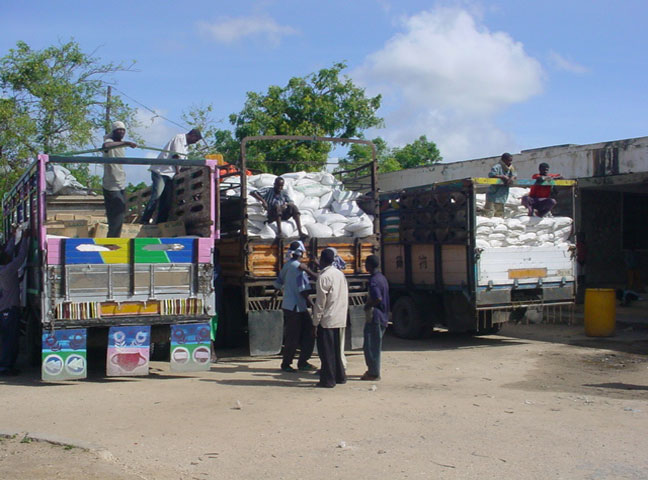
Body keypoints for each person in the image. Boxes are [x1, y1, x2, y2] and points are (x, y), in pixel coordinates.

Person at [140, 128, 202, 225]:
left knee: (167, 200)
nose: (195, 142)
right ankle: (145, 219)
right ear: (192, 135)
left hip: (170, 174)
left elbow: (182, 164)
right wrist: (178, 172)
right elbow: (176, 156)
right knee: (157, 195)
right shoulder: (179, 138)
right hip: (161, 172)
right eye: (196, 140)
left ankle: (161, 223)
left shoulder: (186, 147)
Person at [274, 241, 316, 373]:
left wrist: (274, 294)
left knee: (293, 335)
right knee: (303, 334)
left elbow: (279, 281)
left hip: (289, 305)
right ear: (301, 253)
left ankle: (295, 362)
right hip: (296, 307)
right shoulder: (299, 268)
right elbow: (303, 290)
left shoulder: (287, 265)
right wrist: (313, 305)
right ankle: (292, 363)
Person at [312, 248, 348, 388]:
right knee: (336, 350)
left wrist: (315, 322)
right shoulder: (339, 274)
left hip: (327, 319)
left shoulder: (323, 277)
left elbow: (320, 303)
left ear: (321, 260)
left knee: (326, 352)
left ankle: (328, 380)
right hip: (339, 317)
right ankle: (340, 376)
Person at [102, 121, 137, 237]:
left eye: (123, 130)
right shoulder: (109, 141)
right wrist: (126, 143)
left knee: (121, 213)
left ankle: (114, 239)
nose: (121, 132)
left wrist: (125, 144)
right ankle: (112, 240)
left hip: (121, 183)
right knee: (116, 214)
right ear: (114, 131)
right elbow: (106, 146)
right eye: (119, 130)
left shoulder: (120, 145)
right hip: (111, 185)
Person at [361, 255, 390, 381]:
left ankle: (373, 373)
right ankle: (373, 371)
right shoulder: (382, 278)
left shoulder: (373, 280)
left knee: (371, 346)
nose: (365, 266)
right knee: (374, 345)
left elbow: (378, 298)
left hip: (375, 317)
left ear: (369, 265)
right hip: (383, 316)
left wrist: (367, 306)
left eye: (366, 264)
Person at [485, 152, 516, 217]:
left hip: (502, 196)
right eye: (508, 160)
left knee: (499, 215)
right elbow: (491, 175)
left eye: (511, 161)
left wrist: (511, 178)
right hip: (493, 194)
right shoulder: (497, 167)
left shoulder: (511, 168)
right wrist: (502, 177)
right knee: (489, 214)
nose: (510, 162)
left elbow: (514, 174)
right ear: (504, 160)